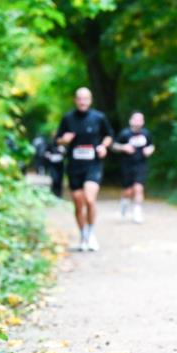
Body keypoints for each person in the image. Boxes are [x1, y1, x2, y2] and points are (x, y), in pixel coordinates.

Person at [55, 87, 113, 251]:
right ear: (75, 100)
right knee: (78, 203)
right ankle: (83, 235)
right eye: (80, 99)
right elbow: (58, 139)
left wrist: (103, 146)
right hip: (74, 166)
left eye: (85, 99)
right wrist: (63, 140)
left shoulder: (99, 118)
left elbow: (109, 136)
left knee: (90, 199)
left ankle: (91, 233)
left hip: (93, 164)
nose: (82, 102)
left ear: (90, 100)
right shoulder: (68, 118)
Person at [112, 111, 155, 223]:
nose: (138, 121)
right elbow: (114, 146)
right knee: (128, 191)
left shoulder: (146, 134)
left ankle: (137, 212)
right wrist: (123, 147)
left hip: (141, 164)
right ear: (131, 121)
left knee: (138, 188)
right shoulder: (124, 134)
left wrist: (149, 150)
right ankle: (124, 203)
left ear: (143, 121)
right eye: (136, 119)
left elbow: (151, 145)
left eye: (140, 119)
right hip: (127, 165)